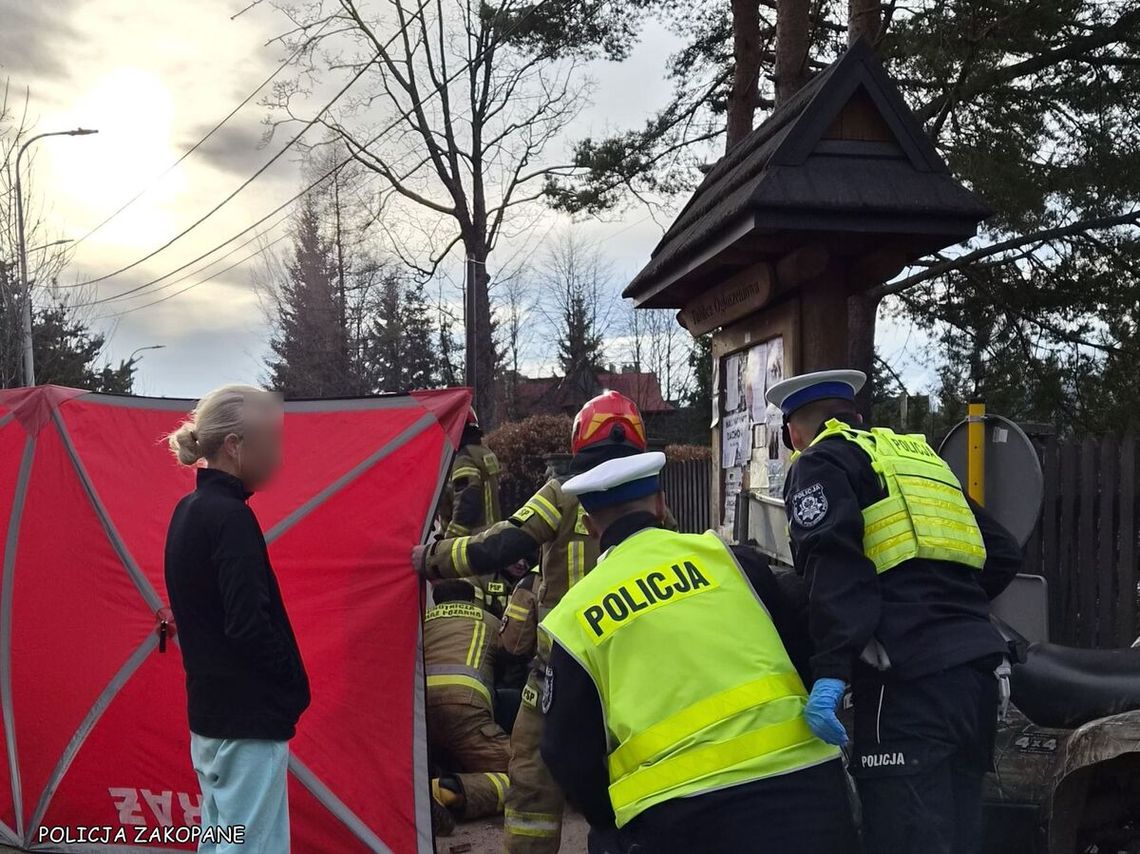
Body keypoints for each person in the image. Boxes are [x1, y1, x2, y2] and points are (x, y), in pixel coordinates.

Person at [539, 451, 858, 854]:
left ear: (588, 526)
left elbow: (563, 751)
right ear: (661, 504)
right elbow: (801, 642)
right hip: (807, 795)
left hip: (681, 822)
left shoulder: (576, 612)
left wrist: (608, 823)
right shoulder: (732, 561)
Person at [766, 369, 1022, 854]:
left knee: (905, 838)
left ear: (794, 431)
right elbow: (1003, 551)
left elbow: (833, 561)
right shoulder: (920, 461)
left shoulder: (819, 461)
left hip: (906, 686)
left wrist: (831, 671)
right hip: (977, 681)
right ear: (855, 416)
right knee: (960, 835)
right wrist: (949, 612)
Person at [413, 390, 663, 853]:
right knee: (633, 768)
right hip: (630, 658)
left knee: (531, 774)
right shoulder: (652, 498)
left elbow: (498, 544)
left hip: (560, 661)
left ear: (577, 442)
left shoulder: (568, 491)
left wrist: (429, 558)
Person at [164, 385, 310, 854]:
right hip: (248, 720)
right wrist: (291, 684)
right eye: (272, 442)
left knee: (222, 841)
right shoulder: (230, 518)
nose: (279, 457)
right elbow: (248, 624)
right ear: (233, 445)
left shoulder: (189, 511)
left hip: (210, 716)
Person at [425, 580, 512, 829]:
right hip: (465, 710)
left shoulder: (422, 621)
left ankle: (414, 789)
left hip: (418, 714)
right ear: (472, 599)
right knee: (529, 776)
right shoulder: (489, 621)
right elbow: (516, 652)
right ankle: (444, 791)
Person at [437, 407, 508, 612]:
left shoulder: (464, 458)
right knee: (492, 600)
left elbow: (468, 500)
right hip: (491, 539)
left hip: (469, 545)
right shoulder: (483, 452)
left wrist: (448, 541)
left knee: (470, 602)